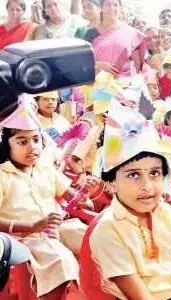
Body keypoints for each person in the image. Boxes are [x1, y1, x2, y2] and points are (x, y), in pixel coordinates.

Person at [89, 100, 171, 300]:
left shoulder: (168, 214)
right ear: (112, 182)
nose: (148, 186)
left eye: (155, 173)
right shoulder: (108, 230)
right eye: (133, 175)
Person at [0, 97, 89, 299]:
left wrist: (86, 193)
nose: (32, 147)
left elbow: (75, 197)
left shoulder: (44, 167)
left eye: (36, 139)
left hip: (54, 228)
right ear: (6, 145)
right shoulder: (1, 174)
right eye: (22, 142)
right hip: (20, 238)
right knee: (61, 259)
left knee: (97, 238)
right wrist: (31, 226)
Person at [84, 0, 147, 77]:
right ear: (101, 8)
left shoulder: (131, 33)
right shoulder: (91, 33)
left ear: (120, 8)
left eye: (115, 5)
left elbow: (139, 67)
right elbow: (81, 61)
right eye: (108, 5)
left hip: (123, 84)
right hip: (96, 83)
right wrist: (98, 65)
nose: (111, 8)